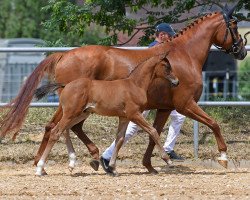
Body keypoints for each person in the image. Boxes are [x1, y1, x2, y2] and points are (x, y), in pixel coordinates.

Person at [100, 23, 186, 173]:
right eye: (169, 35)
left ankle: (168, 148)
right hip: (145, 96)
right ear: (162, 35)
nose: (171, 38)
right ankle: (107, 156)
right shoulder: (155, 50)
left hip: (155, 97)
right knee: (132, 127)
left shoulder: (157, 50)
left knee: (178, 116)